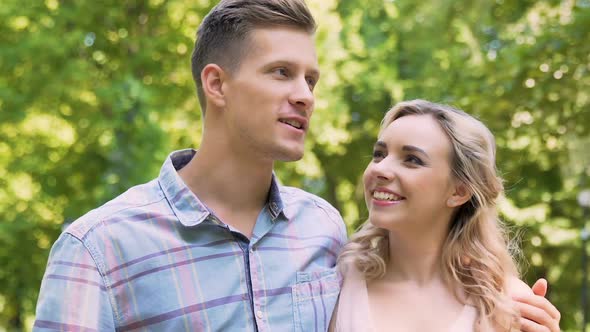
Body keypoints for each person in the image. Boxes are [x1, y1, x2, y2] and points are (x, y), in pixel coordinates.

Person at [34, 1, 558, 331]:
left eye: (311, 80)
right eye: (281, 73)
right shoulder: (99, 248)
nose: (304, 96)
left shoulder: (323, 231)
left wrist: (503, 300)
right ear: (216, 84)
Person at [331, 100, 561, 331]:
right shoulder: (337, 283)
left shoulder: (502, 302)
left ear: (459, 191)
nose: (379, 169)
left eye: (412, 160)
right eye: (379, 154)